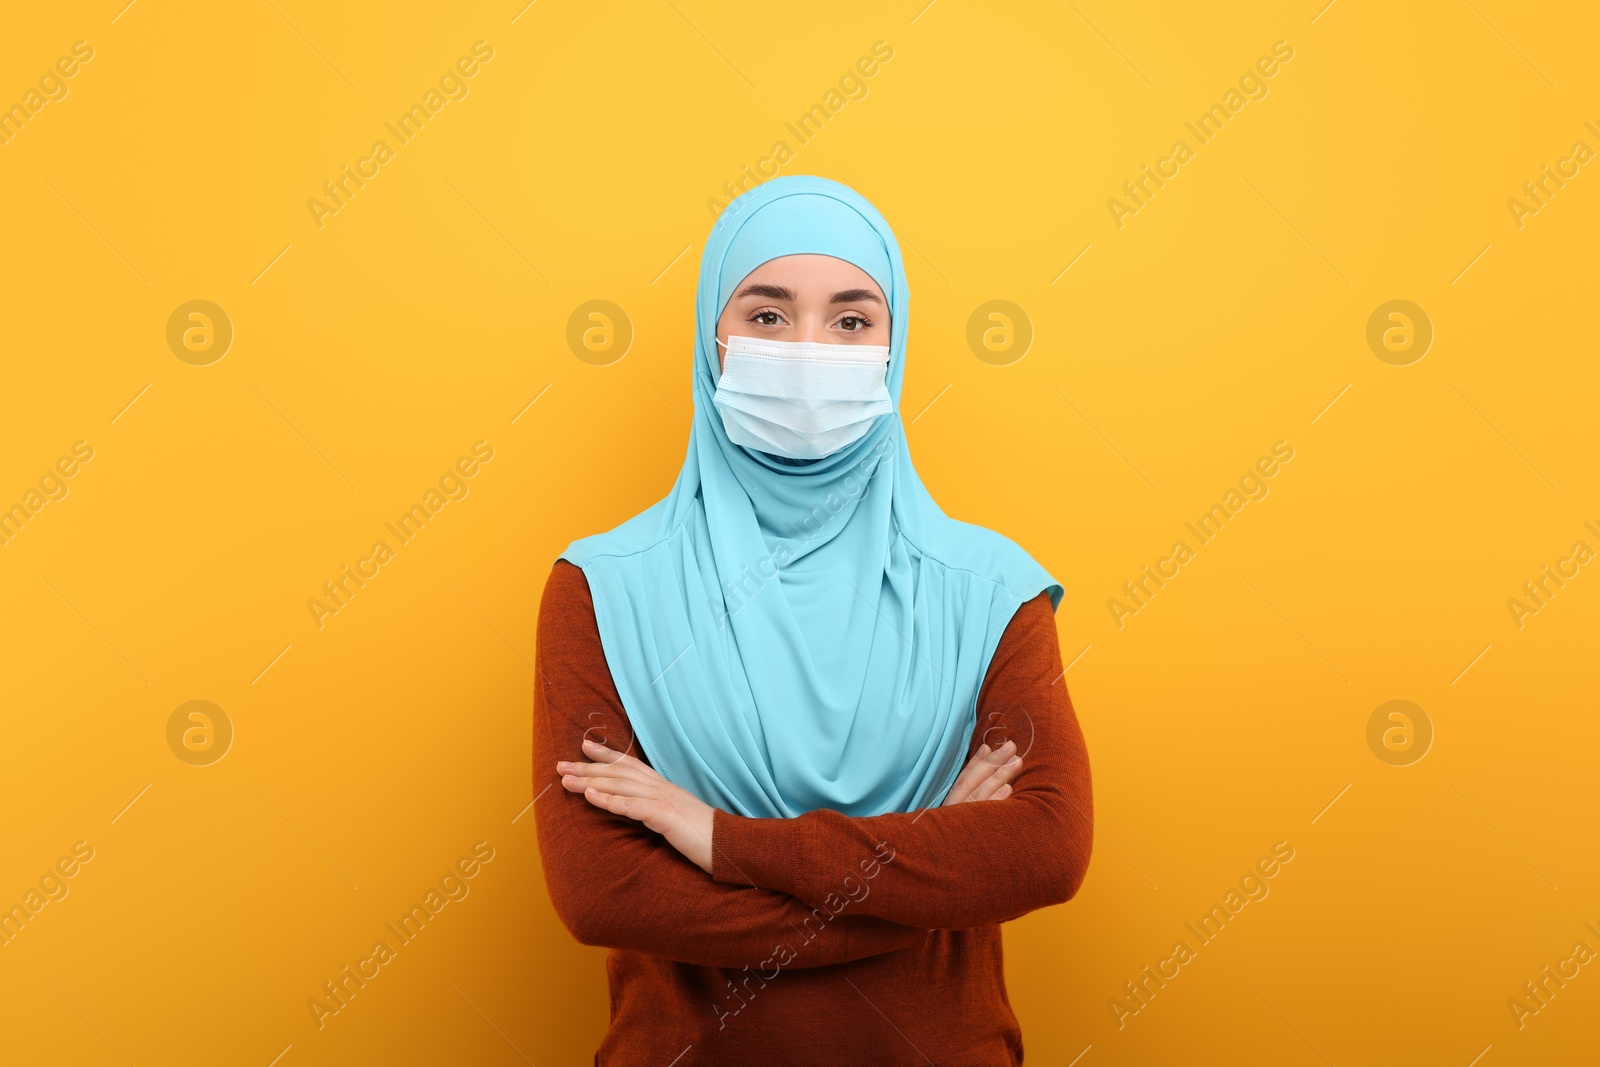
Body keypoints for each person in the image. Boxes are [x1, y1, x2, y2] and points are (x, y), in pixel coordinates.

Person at [533, 174, 1093, 1064]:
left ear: (894, 342)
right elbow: (602, 892)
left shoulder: (990, 589)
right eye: (765, 315)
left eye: (851, 320)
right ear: (711, 340)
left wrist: (718, 838)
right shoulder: (604, 587)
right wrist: (921, 872)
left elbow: (1045, 851)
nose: (807, 348)